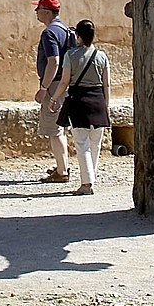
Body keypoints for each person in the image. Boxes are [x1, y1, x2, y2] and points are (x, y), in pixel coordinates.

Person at [45, 18, 111, 195]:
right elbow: (106, 85)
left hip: (79, 101)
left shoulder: (71, 55)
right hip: (98, 101)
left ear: (78, 36)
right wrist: (107, 105)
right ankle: (91, 178)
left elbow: (65, 81)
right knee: (95, 144)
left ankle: (87, 183)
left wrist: (53, 98)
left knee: (82, 144)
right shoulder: (102, 56)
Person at [32, 0, 74, 185]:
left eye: (39, 9)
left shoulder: (49, 33)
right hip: (65, 83)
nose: (36, 12)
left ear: (46, 12)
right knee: (60, 129)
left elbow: (53, 61)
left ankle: (62, 171)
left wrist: (44, 88)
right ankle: (61, 166)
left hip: (54, 84)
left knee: (54, 130)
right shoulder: (65, 29)